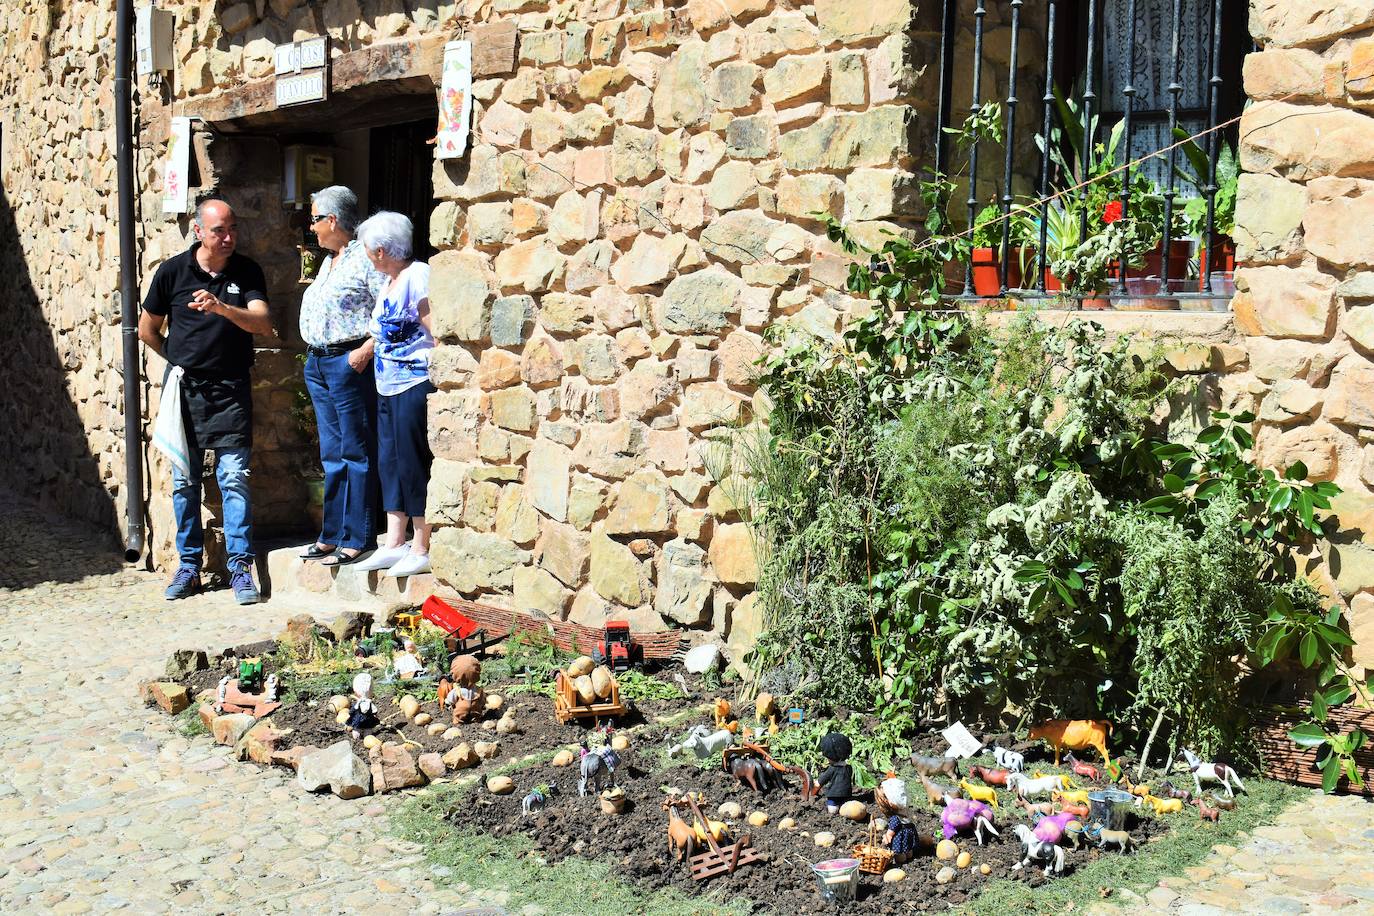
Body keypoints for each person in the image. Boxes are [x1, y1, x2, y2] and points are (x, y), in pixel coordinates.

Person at [139, 199, 272, 604]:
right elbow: (147, 330)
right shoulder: (173, 272)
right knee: (184, 482)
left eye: (233, 228)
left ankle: (239, 569)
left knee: (234, 479)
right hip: (185, 391)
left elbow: (263, 323)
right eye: (219, 230)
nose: (228, 237)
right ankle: (189, 567)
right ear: (199, 231)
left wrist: (222, 309)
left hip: (230, 389)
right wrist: (180, 361)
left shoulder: (247, 271)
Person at [298, 186, 386, 567]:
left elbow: (389, 305)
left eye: (315, 219)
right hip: (319, 362)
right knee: (331, 452)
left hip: (347, 362)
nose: (311, 227)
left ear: (332, 220)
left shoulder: (365, 258)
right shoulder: (329, 261)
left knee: (355, 450)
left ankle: (357, 535)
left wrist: (365, 350)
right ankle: (331, 534)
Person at [352, 211, 435, 578]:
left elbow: (435, 326)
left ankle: (421, 543)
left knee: (412, 462)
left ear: (381, 250)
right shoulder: (390, 280)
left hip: (413, 382)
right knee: (389, 461)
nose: (367, 254)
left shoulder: (417, 277)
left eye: (368, 248)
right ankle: (394, 540)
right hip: (387, 384)